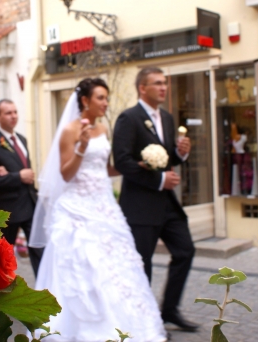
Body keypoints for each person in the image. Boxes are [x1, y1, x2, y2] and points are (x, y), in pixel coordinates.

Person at [29, 78, 167, 342]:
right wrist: (80, 147)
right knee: (86, 268)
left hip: (105, 206)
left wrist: (139, 165)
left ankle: (128, 327)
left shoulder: (103, 129)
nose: (105, 103)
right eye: (100, 98)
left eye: (106, 98)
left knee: (119, 267)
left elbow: (104, 168)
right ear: (85, 101)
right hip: (78, 210)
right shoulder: (69, 131)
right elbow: (66, 175)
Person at [112, 67, 198, 332]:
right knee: (143, 264)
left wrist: (180, 154)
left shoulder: (168, 118)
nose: (163, 87)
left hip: (167, 205)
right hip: (140, 206)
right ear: (142, 88)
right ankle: (145, 321)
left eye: (165, 83)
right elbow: (123, 162)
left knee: (185, 250)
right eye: (157, 83)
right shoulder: (129, 118)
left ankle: (169, 310)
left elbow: (165, 158)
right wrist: (159, 180)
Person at [0, 99, 43, 276]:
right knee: (3, 257)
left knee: (39, 250)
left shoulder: (21, 139)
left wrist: (11, 174)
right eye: (8, 113)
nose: (13, 116)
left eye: (15, 112)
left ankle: (46, 289)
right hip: (8, 208)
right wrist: (16, 176)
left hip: (30, 203)